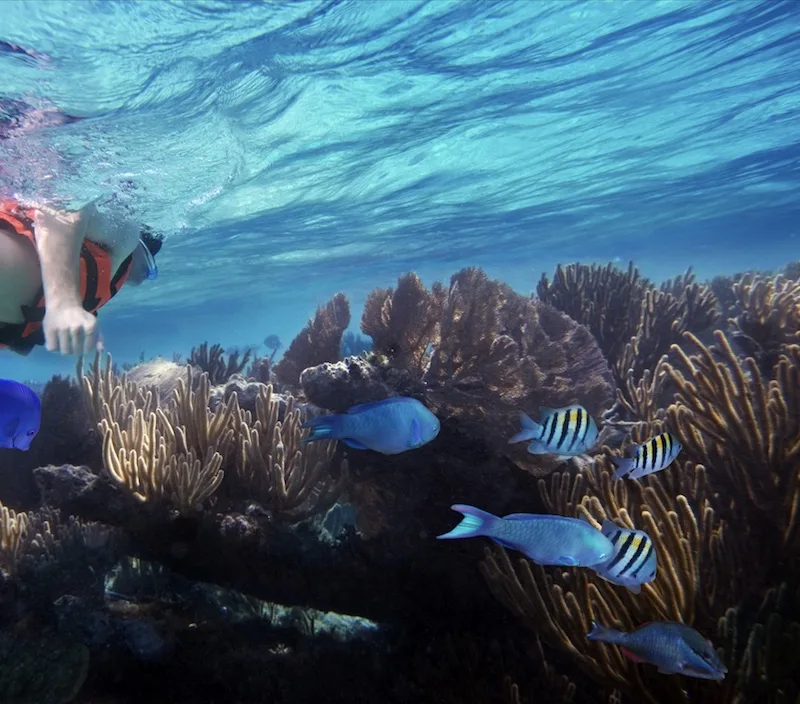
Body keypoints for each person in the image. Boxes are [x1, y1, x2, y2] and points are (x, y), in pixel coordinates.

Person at [0, 197, 161, 355]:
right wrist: (63, 301)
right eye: (146, 269)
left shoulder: (101, 283)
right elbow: (66, 204)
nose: (139, 279)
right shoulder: (126, 235)